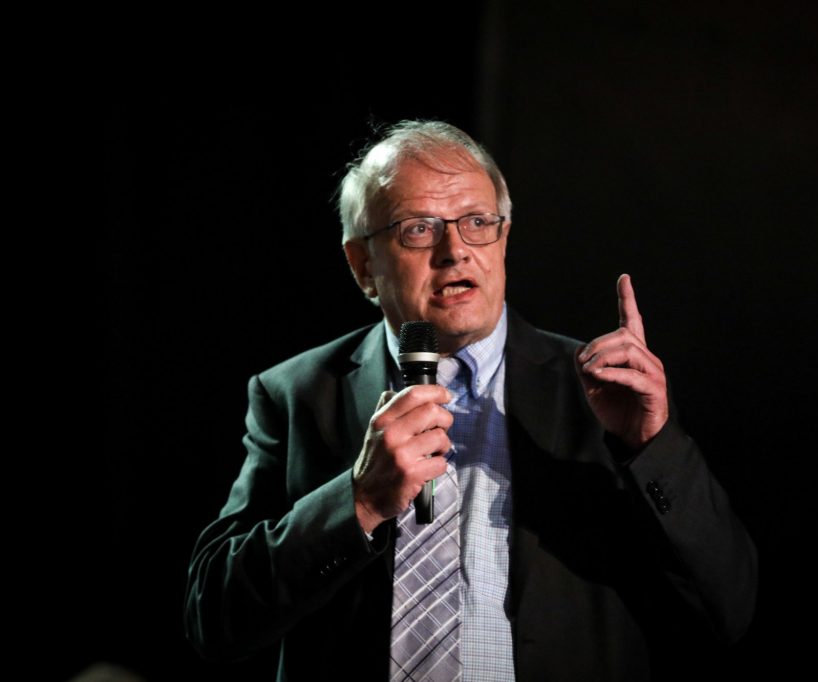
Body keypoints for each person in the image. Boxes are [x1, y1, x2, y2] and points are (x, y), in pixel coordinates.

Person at [185, 120, 758, 681]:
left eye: (478, 223)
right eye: (418, 229)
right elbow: (214, 620)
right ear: (363, 266)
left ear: (504, 240)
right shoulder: (296, 394)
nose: (455, 251)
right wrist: (358, 502)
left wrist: (653, 448)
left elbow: (730, 608)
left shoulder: (604, 391)